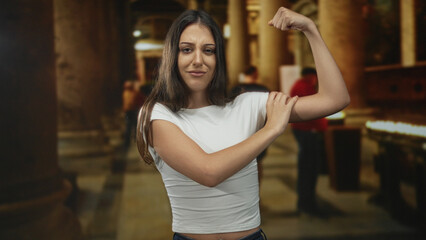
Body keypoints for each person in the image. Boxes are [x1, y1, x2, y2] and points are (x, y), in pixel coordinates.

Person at [136, 7, 349, 240]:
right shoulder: (158, 114)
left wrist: (311, 30)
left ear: (218, 58)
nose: (198, 60)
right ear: (172, 56)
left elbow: (335, 99)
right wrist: (270, 130)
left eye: (209, 50)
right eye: (187, 50)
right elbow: (209, 172)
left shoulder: (246, 105)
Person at [290, 67, 328, 217]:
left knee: (309, 167)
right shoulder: (303, 87)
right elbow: (312, 109)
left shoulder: (304, 86)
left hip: (307, 131)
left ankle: (307, 201)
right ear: (311, 76)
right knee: (308, 168)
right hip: (307, 131)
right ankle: (306, 202)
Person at [231, 65, 269, 187]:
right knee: (257, 164)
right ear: (255, 74)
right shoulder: (263, 89)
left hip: (238, 132)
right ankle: (257, 197)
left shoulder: (235, 89)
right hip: (258, 131)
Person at [122, 80, 144, 149]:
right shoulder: (133, 93)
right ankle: (134, 139)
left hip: (128, 111)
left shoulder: (125, 93)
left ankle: (128, 141)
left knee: (129, 126)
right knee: (134, 125)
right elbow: (135, 102)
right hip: (132, 111)